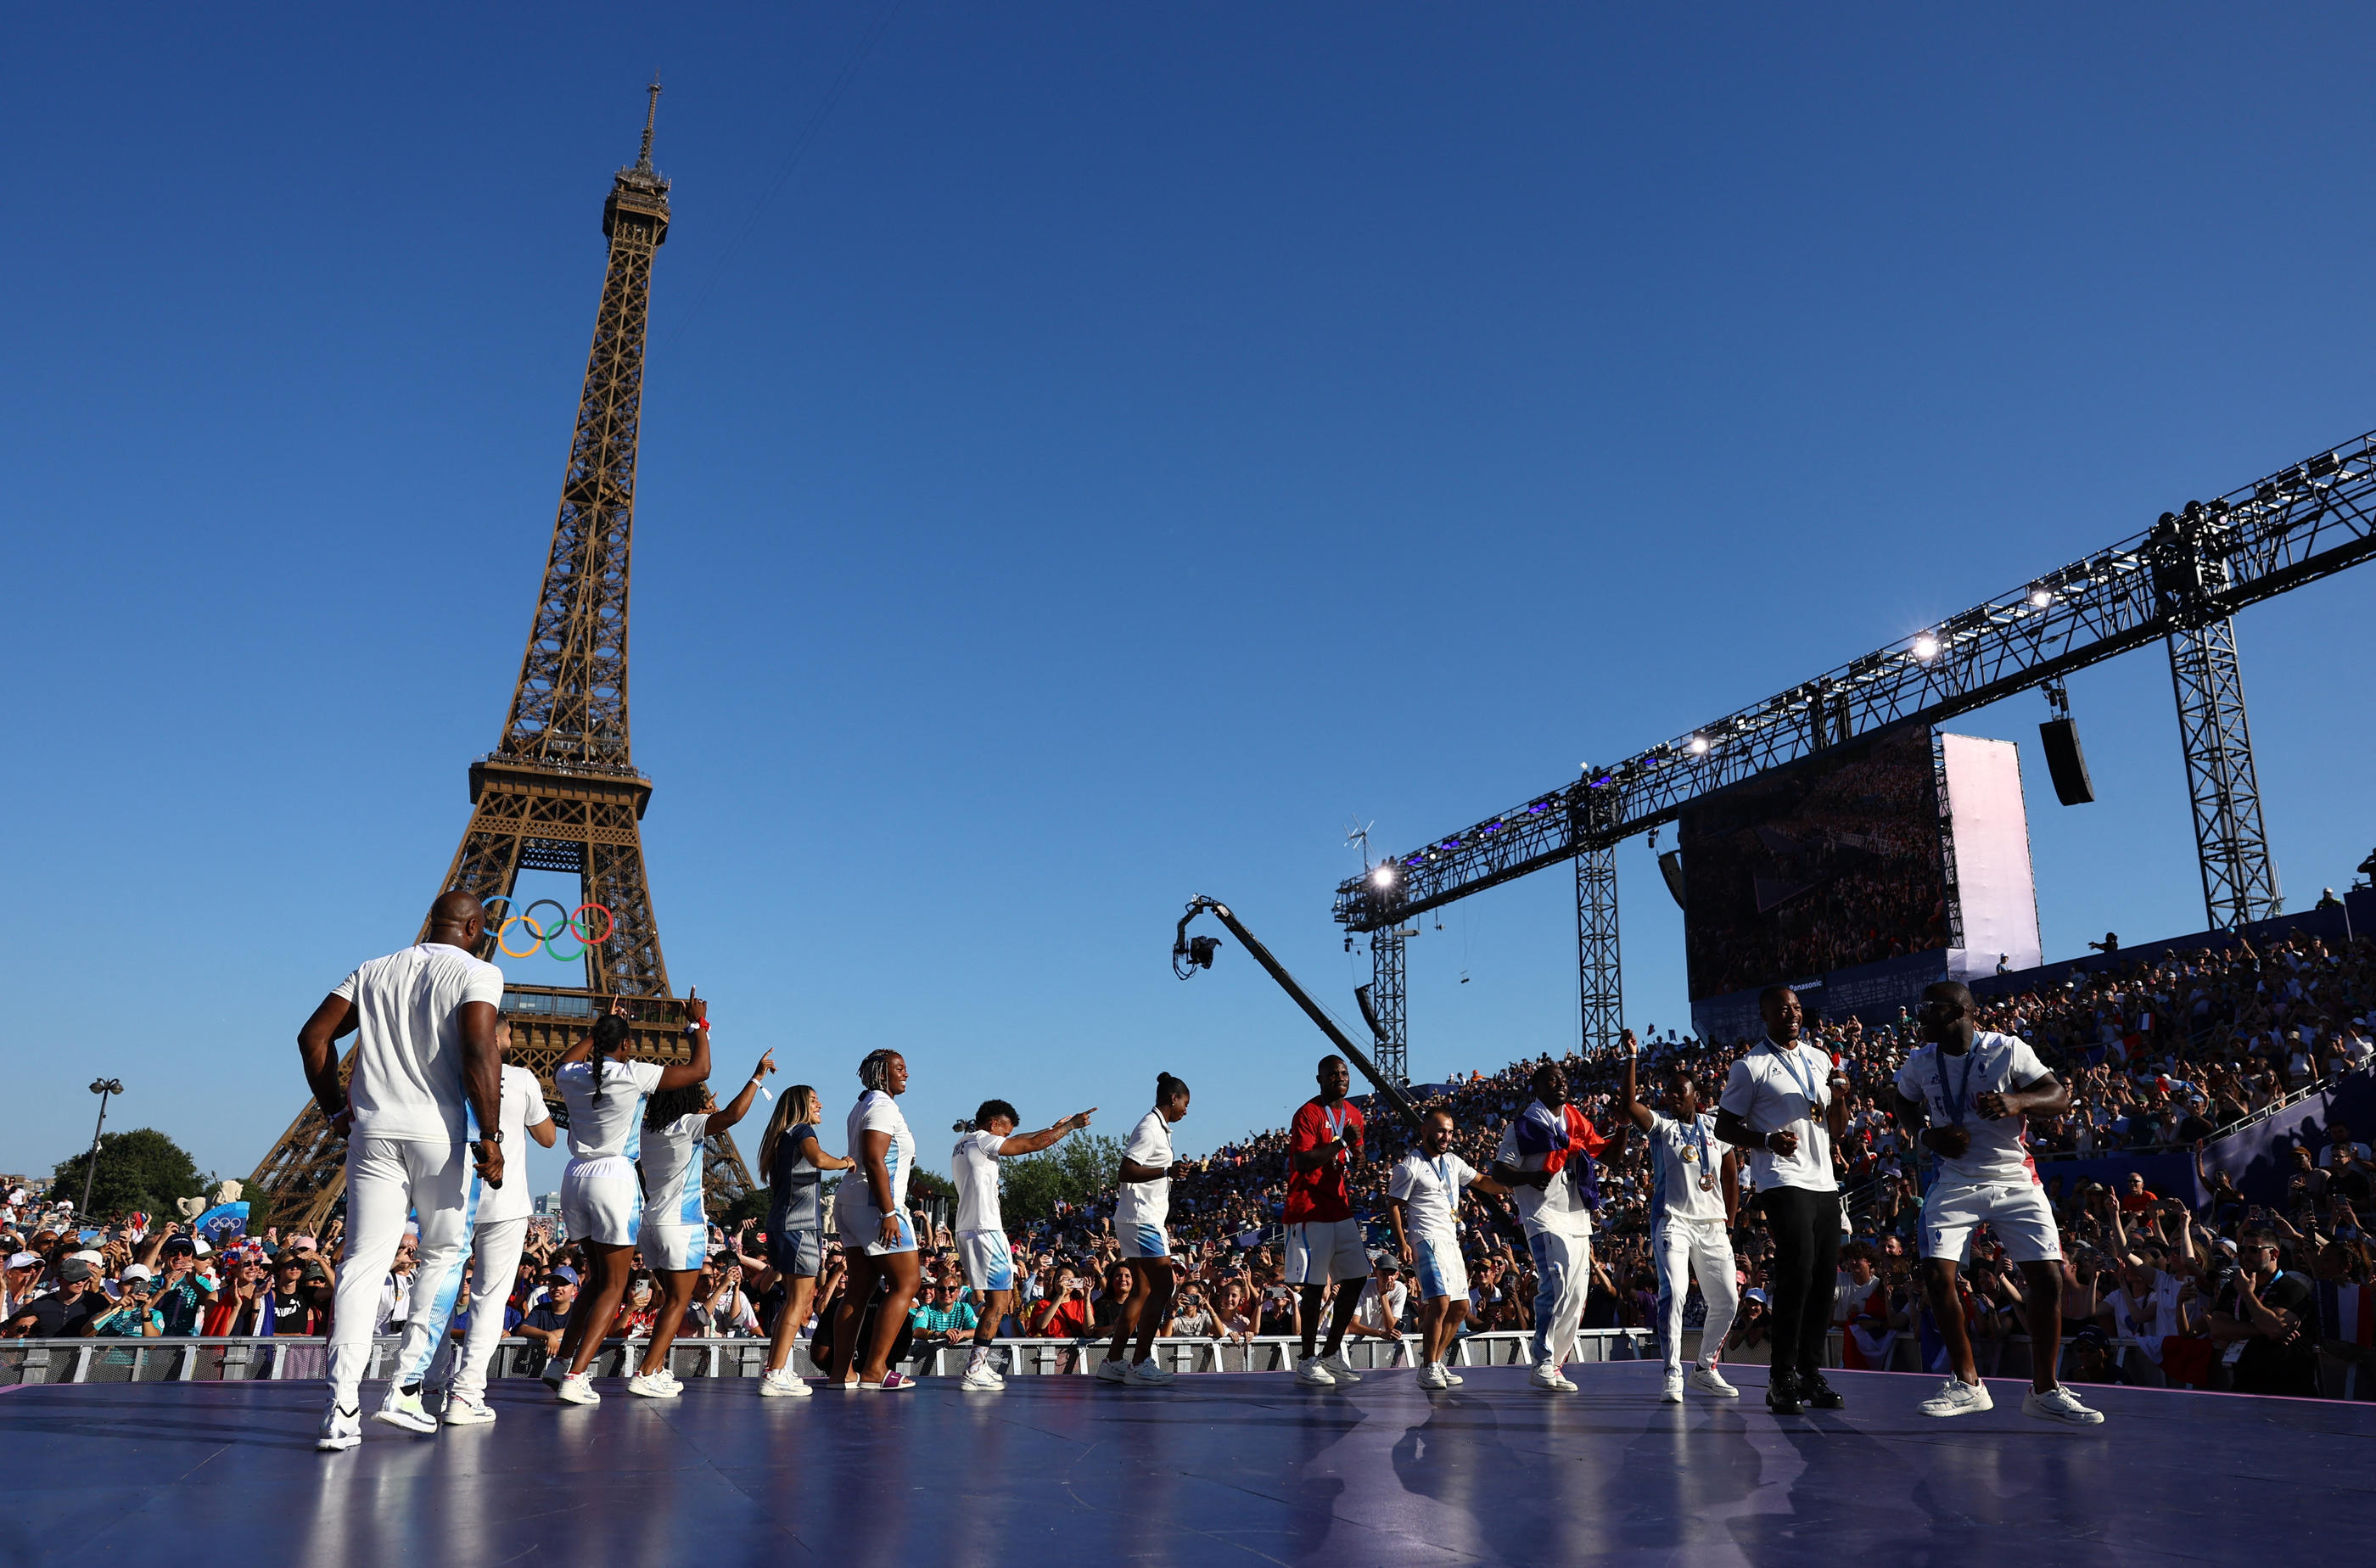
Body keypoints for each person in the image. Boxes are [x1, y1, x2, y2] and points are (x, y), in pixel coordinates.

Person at [294, 889, 507, 1451]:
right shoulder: (479, 971)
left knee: (362, 1264)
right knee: (444, 1254)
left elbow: (313, 1038)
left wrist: (335, 1108)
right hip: (438, 1132)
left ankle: (341, 1408)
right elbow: (482, 1050)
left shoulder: (372, 970)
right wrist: (492, 1135)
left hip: (372, 1130)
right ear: (474, 927)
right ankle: (406, 1388)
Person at [1891, 981, 2103, 1425]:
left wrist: (2016, 1100)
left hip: (2015, 1179)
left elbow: (2058, 1096)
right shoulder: (1920, 1060)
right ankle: (1968, 1383)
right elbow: (1903, 1103)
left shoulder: (2007, 1049)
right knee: (1936, 1272)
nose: (1919, 1017)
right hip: (1955, 1180)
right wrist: (1927, 1135)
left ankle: (2045, 1391)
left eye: (1928, 1009)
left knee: (2048, 1279)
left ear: (1958, 1012)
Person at [545, 994, 713, 1404]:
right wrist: (697, 1026)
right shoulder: (633, 1074)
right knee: (615, 1284)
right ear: (625, 1047)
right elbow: (699, 1070)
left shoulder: (573, 1075)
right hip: (614, 1177)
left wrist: (599, 1029)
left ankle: (560, 1363)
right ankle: (578, 1375)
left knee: (597, 1280)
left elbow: (559, 1064)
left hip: (574, 1176)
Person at [411, 1020, 558, 1424]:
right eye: (509, 1035)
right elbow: (548, 1137)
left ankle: (428, 1383)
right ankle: (467, 1393)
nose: (513, 1042)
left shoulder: (444, 1074)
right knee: (489, 1301)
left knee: (439, 1292)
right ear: (495, 1038)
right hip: (504, 1202)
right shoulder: (522, 1078)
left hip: (450, 1199)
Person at [1715, 984, 1848, 1415]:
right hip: (1781, 1178)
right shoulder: (1749, 1066)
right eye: (1781, 1009)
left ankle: (1810, 1372)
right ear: (1765, 1017)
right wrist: (1767, 1140)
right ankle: (1780, 1377)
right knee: (1799, 1270)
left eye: (1795, 1007)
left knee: (1825, 1279)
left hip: (1824, 1180)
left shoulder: (1818, 1058)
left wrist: (1842, 1095)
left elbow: (1838, 1128)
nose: (1791, 1014)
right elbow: (1724, 1127)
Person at [625, 1049, 774, 1398]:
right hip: (681, 1224)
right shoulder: (687, 1125)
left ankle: (658, 1368)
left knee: (666, 1300)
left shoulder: (648, 1130)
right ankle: (646, 1372)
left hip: (651, 1222)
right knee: (680, 1302)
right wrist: (757, 1077)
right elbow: (734, 1115)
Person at [1622, 1028, 1740, 1403]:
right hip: (1672, 1221)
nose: (1671, 1097)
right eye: (1668, 1092)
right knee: (1674, 1293)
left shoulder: (1716, 1127)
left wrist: (1730, 1223)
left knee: (1728, 1302)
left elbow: (1731, 1175)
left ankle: (1705, 1368)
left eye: (1679, 1091)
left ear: (1696, 1097)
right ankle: (1673, 1371)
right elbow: (1628, 1104)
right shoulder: (1662, 1127)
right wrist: (1632, 1058)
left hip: (1713, 1225)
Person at [950, 1098, 1096, 1392]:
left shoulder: (964, 1142)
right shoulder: (983, 1141)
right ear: (993, 1125)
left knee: (995, 1301)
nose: (1004, 1140)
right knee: (1000, 1303)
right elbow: (1029, 1146)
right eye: (1003, 1133)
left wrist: (1051, 1128)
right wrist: (1069, 1127)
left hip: (967, 1228)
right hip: (986, 1229)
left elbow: (1021, 1138)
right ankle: (975, 1368)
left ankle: (978, 1364)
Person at [1493, 1059, 1607, 1393]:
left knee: (1575, 1295)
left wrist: (1625, 1124)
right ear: (1537, 1088)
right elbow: (1500, 1173)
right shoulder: (1523, 1126)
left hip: (1576, 1214)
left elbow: (1605, 1153)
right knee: (1556, 1283)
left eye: (1563, 1078)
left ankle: (1555, 1365)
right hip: (1542, 1216)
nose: (1560, 1083)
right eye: (1552, 1080)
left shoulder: (1575, 1120)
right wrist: (1531, 1177)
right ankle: (1541, 1359)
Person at [1387, 1106, 1516, 1389]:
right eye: (1441, 1131)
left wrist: (1511, 1184)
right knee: (1440, 1302)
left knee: (1459, 1307)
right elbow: (1394, 1204)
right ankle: (1429, 1366)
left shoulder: (1453, 1162)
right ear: (1425, 1131)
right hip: (1426, 1239)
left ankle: (1435, 1362)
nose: (1446, 1136)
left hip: (1450, 1242)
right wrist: (1402, 1241)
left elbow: (1482, 1182)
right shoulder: (1410, 1165)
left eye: (1450, 1131)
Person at [825, 1050, 923, 1392]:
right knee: (906, 1285)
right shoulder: (882, 1106)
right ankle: (875, 1369)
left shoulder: (863, 1105)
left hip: (851, 1201)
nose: (906, 1073)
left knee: (859, 1291)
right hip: (874, 1204)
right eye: (899, 1068)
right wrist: (889, 1212)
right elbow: (873, 1157)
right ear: (882, 1074)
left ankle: (842, 1373)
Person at [754, 1084, 855, 1397]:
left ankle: (777, 1367)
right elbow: (819, 1160)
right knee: (799, 1302)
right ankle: (775, 1373)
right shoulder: (802, 1132)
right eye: (814, 1100)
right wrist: (846, 1162)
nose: (820, 1105)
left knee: (790, 1302)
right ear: (799, 1105)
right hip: (800, 1226)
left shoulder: (781, 1137)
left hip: (782, 1224)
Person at [1099, 1072, 1194, 1388]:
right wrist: (1167, 1170)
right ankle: (1139, 1363)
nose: (1186, 1110)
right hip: (1142, 1220)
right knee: (1165, 1285)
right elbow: (1125, 1169)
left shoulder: (1160, 1128)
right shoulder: (1149, 1127)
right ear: (1173, 1098)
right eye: (1185, 1103)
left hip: (1137, 1218)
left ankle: (1113, 1361)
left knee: (1141, 1291)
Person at [1284, 1056, 1373, 1388]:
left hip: (1340, 1206)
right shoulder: (1307, 1113)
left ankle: (1331, 1352)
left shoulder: (1354, 1114)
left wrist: (1359, 1156)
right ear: (1319, 1079)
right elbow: (1303, 1161)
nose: (1340, 1077)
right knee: (1315, 1287)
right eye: (1332, 1073)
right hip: (1309, 1209)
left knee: (1357, 1277)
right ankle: (1307, 1359)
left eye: (1344, 1073)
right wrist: (1340, 1143)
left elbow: (1356, 1152)